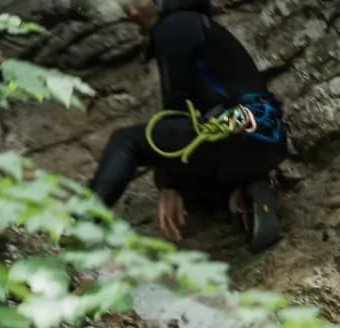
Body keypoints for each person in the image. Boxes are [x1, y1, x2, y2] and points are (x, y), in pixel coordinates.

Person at [87, 0, 287, 252]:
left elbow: (176, 108)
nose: (133, 13)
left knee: (126, 141)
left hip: (235, 126)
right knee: (192, 191)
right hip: (267, 140)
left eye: (138, 2)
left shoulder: (175, 24)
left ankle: (82, 223)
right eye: (126, 9)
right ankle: (247, 193)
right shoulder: (199, 25)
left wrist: (167, 181)